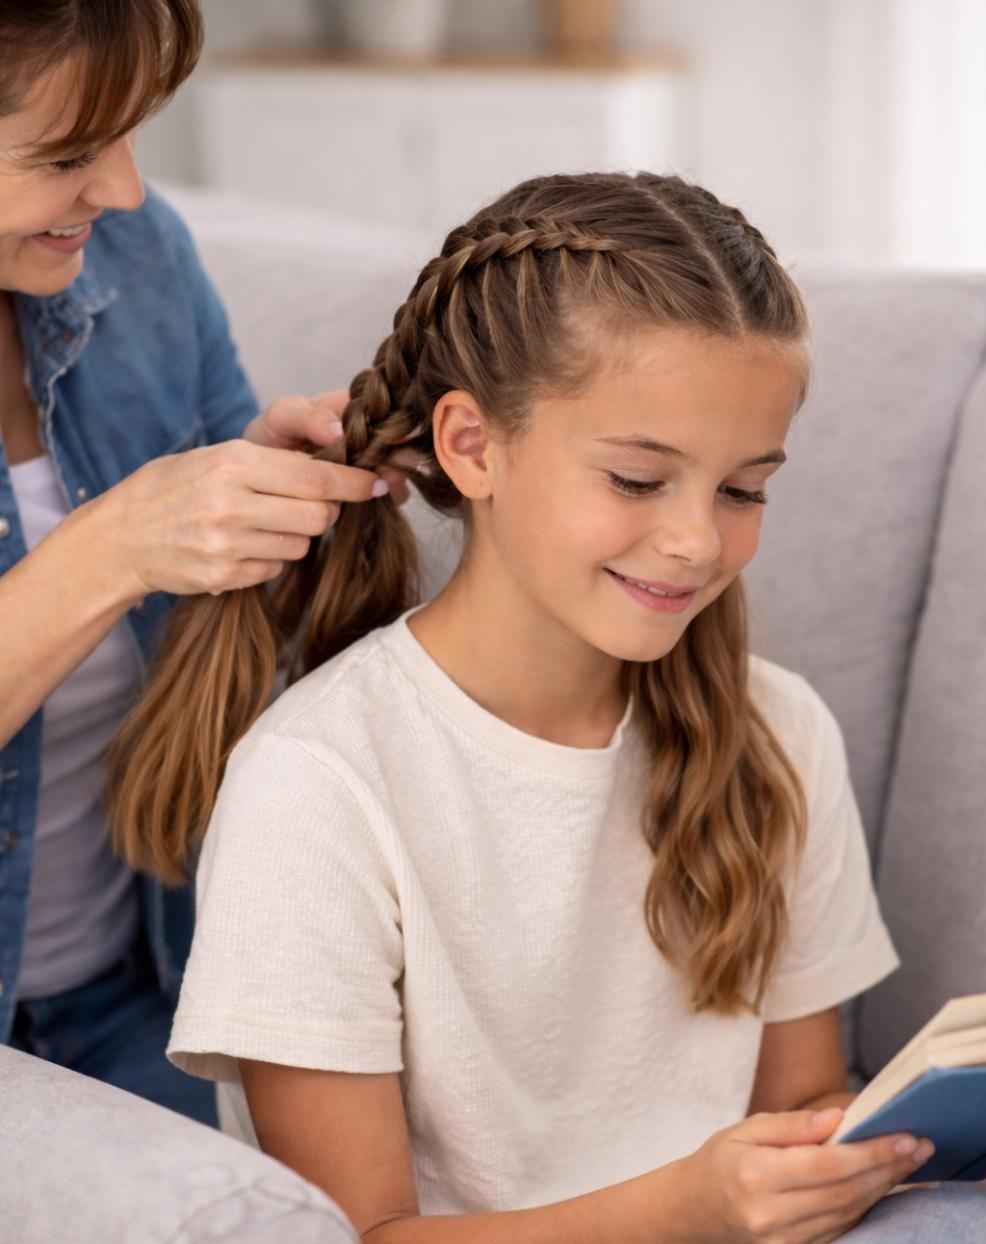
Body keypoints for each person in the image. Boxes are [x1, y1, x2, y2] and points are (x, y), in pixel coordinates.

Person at [117, 171, 973, 1241]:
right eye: (634, 477)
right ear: (473, 446)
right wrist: (690, 1209)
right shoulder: (319, 780)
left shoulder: (774, 731)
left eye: (742, 489)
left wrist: (843, 1154)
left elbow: (798, 1101)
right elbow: (357, 1234)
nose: (697, 540)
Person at [0, 0, 399, 1126]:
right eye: (69, 154)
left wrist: (277, 496)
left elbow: (246, 636)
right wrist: (118, 544)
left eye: (132, 132)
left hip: (146, 991)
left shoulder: (139, 259)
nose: (124, 188)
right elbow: (132, 540)